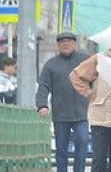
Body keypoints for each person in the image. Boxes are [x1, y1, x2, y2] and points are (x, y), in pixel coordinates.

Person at [70, 47, 111, 172]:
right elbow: (75, 75)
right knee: (99, 161)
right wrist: (89, 93)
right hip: (100, 118)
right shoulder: (100, 58)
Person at [36, 32, 91, 172]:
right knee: (61, 150)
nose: (66, 44)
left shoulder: (85, 61)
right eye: (62, 42)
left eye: (69, 41)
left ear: (74, 44)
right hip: (61, 114)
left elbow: (96, 80)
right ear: (58, 45)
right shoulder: (51, 65)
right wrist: (42, 105)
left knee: (82, 140)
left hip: (82, 113)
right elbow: (43, 86)